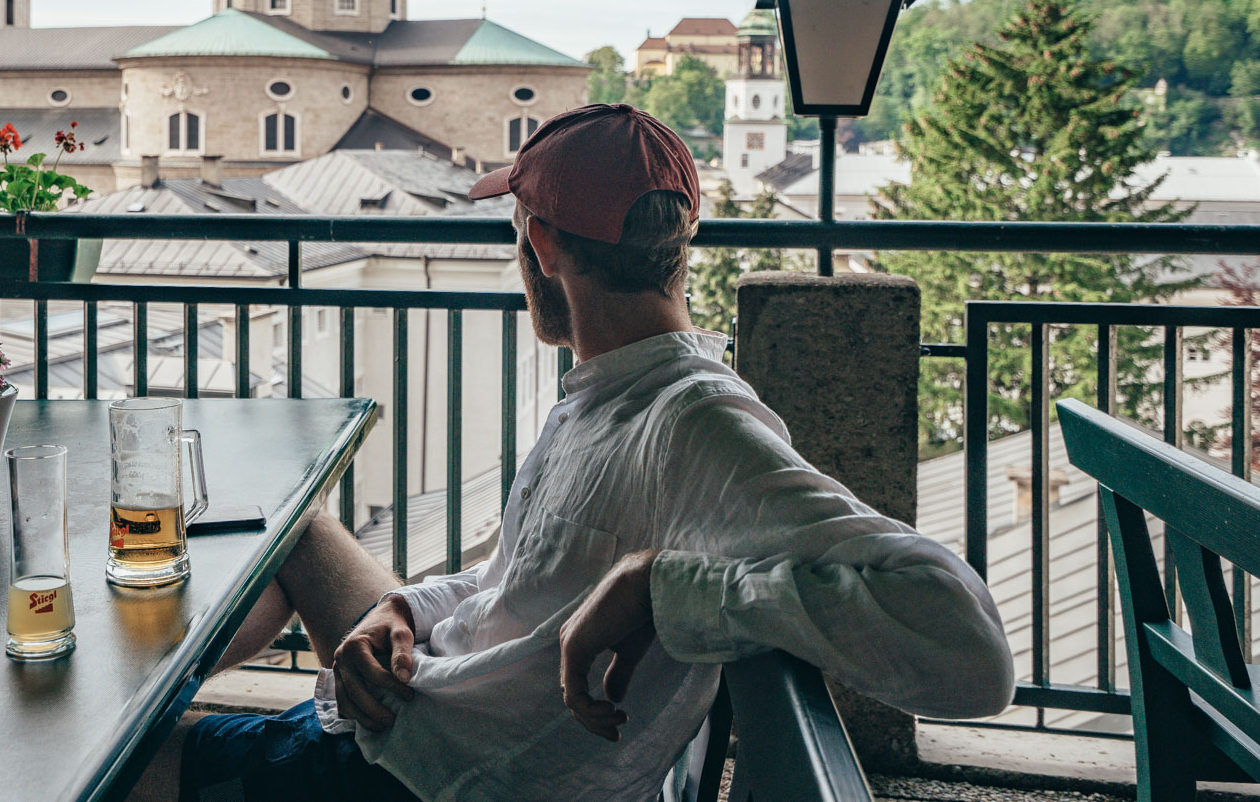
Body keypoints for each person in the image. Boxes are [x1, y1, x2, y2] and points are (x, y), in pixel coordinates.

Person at [132, 104, 1013, 802]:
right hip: (438, 706)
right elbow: (516, 579)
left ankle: (112, 718)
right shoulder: (613, 391)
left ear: (543, 245)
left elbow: (975, 651)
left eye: (518, 227)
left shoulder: (696, 422)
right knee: (298, 530)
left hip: (426, 774)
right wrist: (400, 607)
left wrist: (659, 586)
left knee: (121, 769)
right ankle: (127, 698)